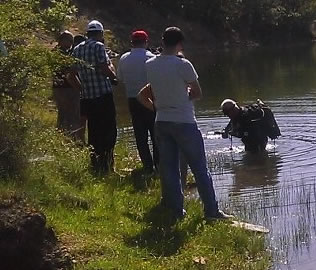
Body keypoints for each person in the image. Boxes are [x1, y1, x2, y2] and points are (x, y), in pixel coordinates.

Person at [137, 26, 231, 220]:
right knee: (199, 169)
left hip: (161, 121)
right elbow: (197, 93)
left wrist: (159, 104)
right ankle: (211, 212)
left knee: (169, 169)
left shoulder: (150, 64)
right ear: (180, 44)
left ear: (162, 42)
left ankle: (176, 211)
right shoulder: (184, 64)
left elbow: (151, 90)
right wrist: (185, 94)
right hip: (184, 122)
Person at [68, 20, 118, 174]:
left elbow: (71, 75)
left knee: (94, 131)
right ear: (100, 34)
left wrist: (81, 89)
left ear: (87, 33)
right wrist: (114, 77)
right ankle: (108, 166)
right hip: (103, 95)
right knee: (109, 131)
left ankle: (96, 165)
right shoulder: (98, 46)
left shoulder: (76, 49)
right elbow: (104, 67)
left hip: (88, 98)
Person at [117, 30, 158, 173]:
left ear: (132, 43)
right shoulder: (152, 58)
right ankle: (159, 165)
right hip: (151, 99)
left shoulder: (123, 58)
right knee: (155, 134)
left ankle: (147, 165)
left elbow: (120, 78)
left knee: (140, 135)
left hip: (133, 100)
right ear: (146, 42)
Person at [52, 31, 82, 140]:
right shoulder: (63, 55)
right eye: (70, 41)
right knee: (72, 114)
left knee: (63, 113)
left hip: (58, 88)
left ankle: (61, 137)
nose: (71, 44)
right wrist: (79, 88)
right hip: (67, 88)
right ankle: (72, 138)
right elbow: (68, 73)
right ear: (62, 40)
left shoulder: (54, 52)